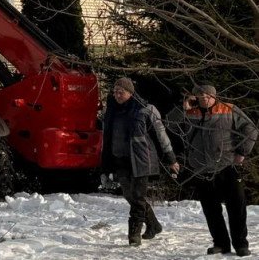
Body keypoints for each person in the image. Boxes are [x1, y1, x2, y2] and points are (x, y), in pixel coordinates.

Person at [168, 84, 258, 257]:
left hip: (227, 165)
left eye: (208, 95)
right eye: (200, 95)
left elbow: (251, 129)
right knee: (211, 209)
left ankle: (241, 244)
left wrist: (242, 152)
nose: (204, 98)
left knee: (237, 206)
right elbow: (169, 125)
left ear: (214, 96)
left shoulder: (228, 109)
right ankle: (221, 243)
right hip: (200, 168)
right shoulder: (189, 113)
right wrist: (182, 107)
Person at [101, 76, 180, 247]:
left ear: (130, 93)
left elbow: (161, 135)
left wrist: (171, 158)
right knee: (130, 196)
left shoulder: (145, 110)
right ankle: (153, 225)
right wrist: (105, 165)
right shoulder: (112, 111)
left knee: (138, 197)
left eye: (121, 92)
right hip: (120, 159)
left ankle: (133, 235)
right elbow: (106, 139)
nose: (117, 95)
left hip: (141, 159)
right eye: (115, 92)